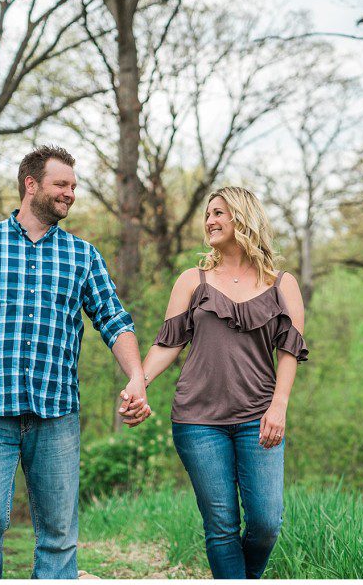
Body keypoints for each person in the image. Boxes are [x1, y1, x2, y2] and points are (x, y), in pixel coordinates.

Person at [0, 145, 151, 579]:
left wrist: (137, 376)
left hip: (56, 414)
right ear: (31, 185)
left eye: (74, 187)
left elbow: (115, 322)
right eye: (62, 184)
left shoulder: (83, 256)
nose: (70, 194)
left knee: (59, 538)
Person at [128, 186, 308, 579]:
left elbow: (290, 353)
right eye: (208, 214)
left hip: (258, 418)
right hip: (197, 421)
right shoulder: (192, 280)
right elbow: (167, 343)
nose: (209, 221)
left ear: (243, 218)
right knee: (222, 528)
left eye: (219, 213)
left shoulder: (282, 284)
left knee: (265, 523)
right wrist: (138, 383)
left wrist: (279, 405)